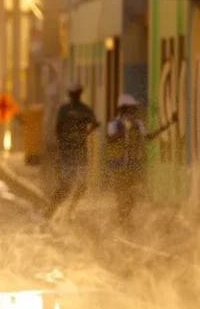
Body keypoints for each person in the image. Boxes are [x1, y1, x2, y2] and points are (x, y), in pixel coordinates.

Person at [106, 94, 177, 232]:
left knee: (132, 197)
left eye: (134, 109)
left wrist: (169, 123)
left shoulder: (138, 124)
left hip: (132, 166)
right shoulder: (113, 123)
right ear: (123, 109)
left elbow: (149, 137)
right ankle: (123, 223)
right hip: (118, 166)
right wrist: (124, 129)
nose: (133, 112)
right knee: (121, 195)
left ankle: (125, 220)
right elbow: (111, 137)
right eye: (131, 109)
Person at [43, 82, 100, 219]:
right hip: (71, 154)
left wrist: (82, 134)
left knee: (76, 185)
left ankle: (66, 210)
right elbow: (96, 123)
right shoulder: (75, 109)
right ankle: (56, 210)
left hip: (74, 154)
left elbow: (58, 129)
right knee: (70, 185)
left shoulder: (70, 109)